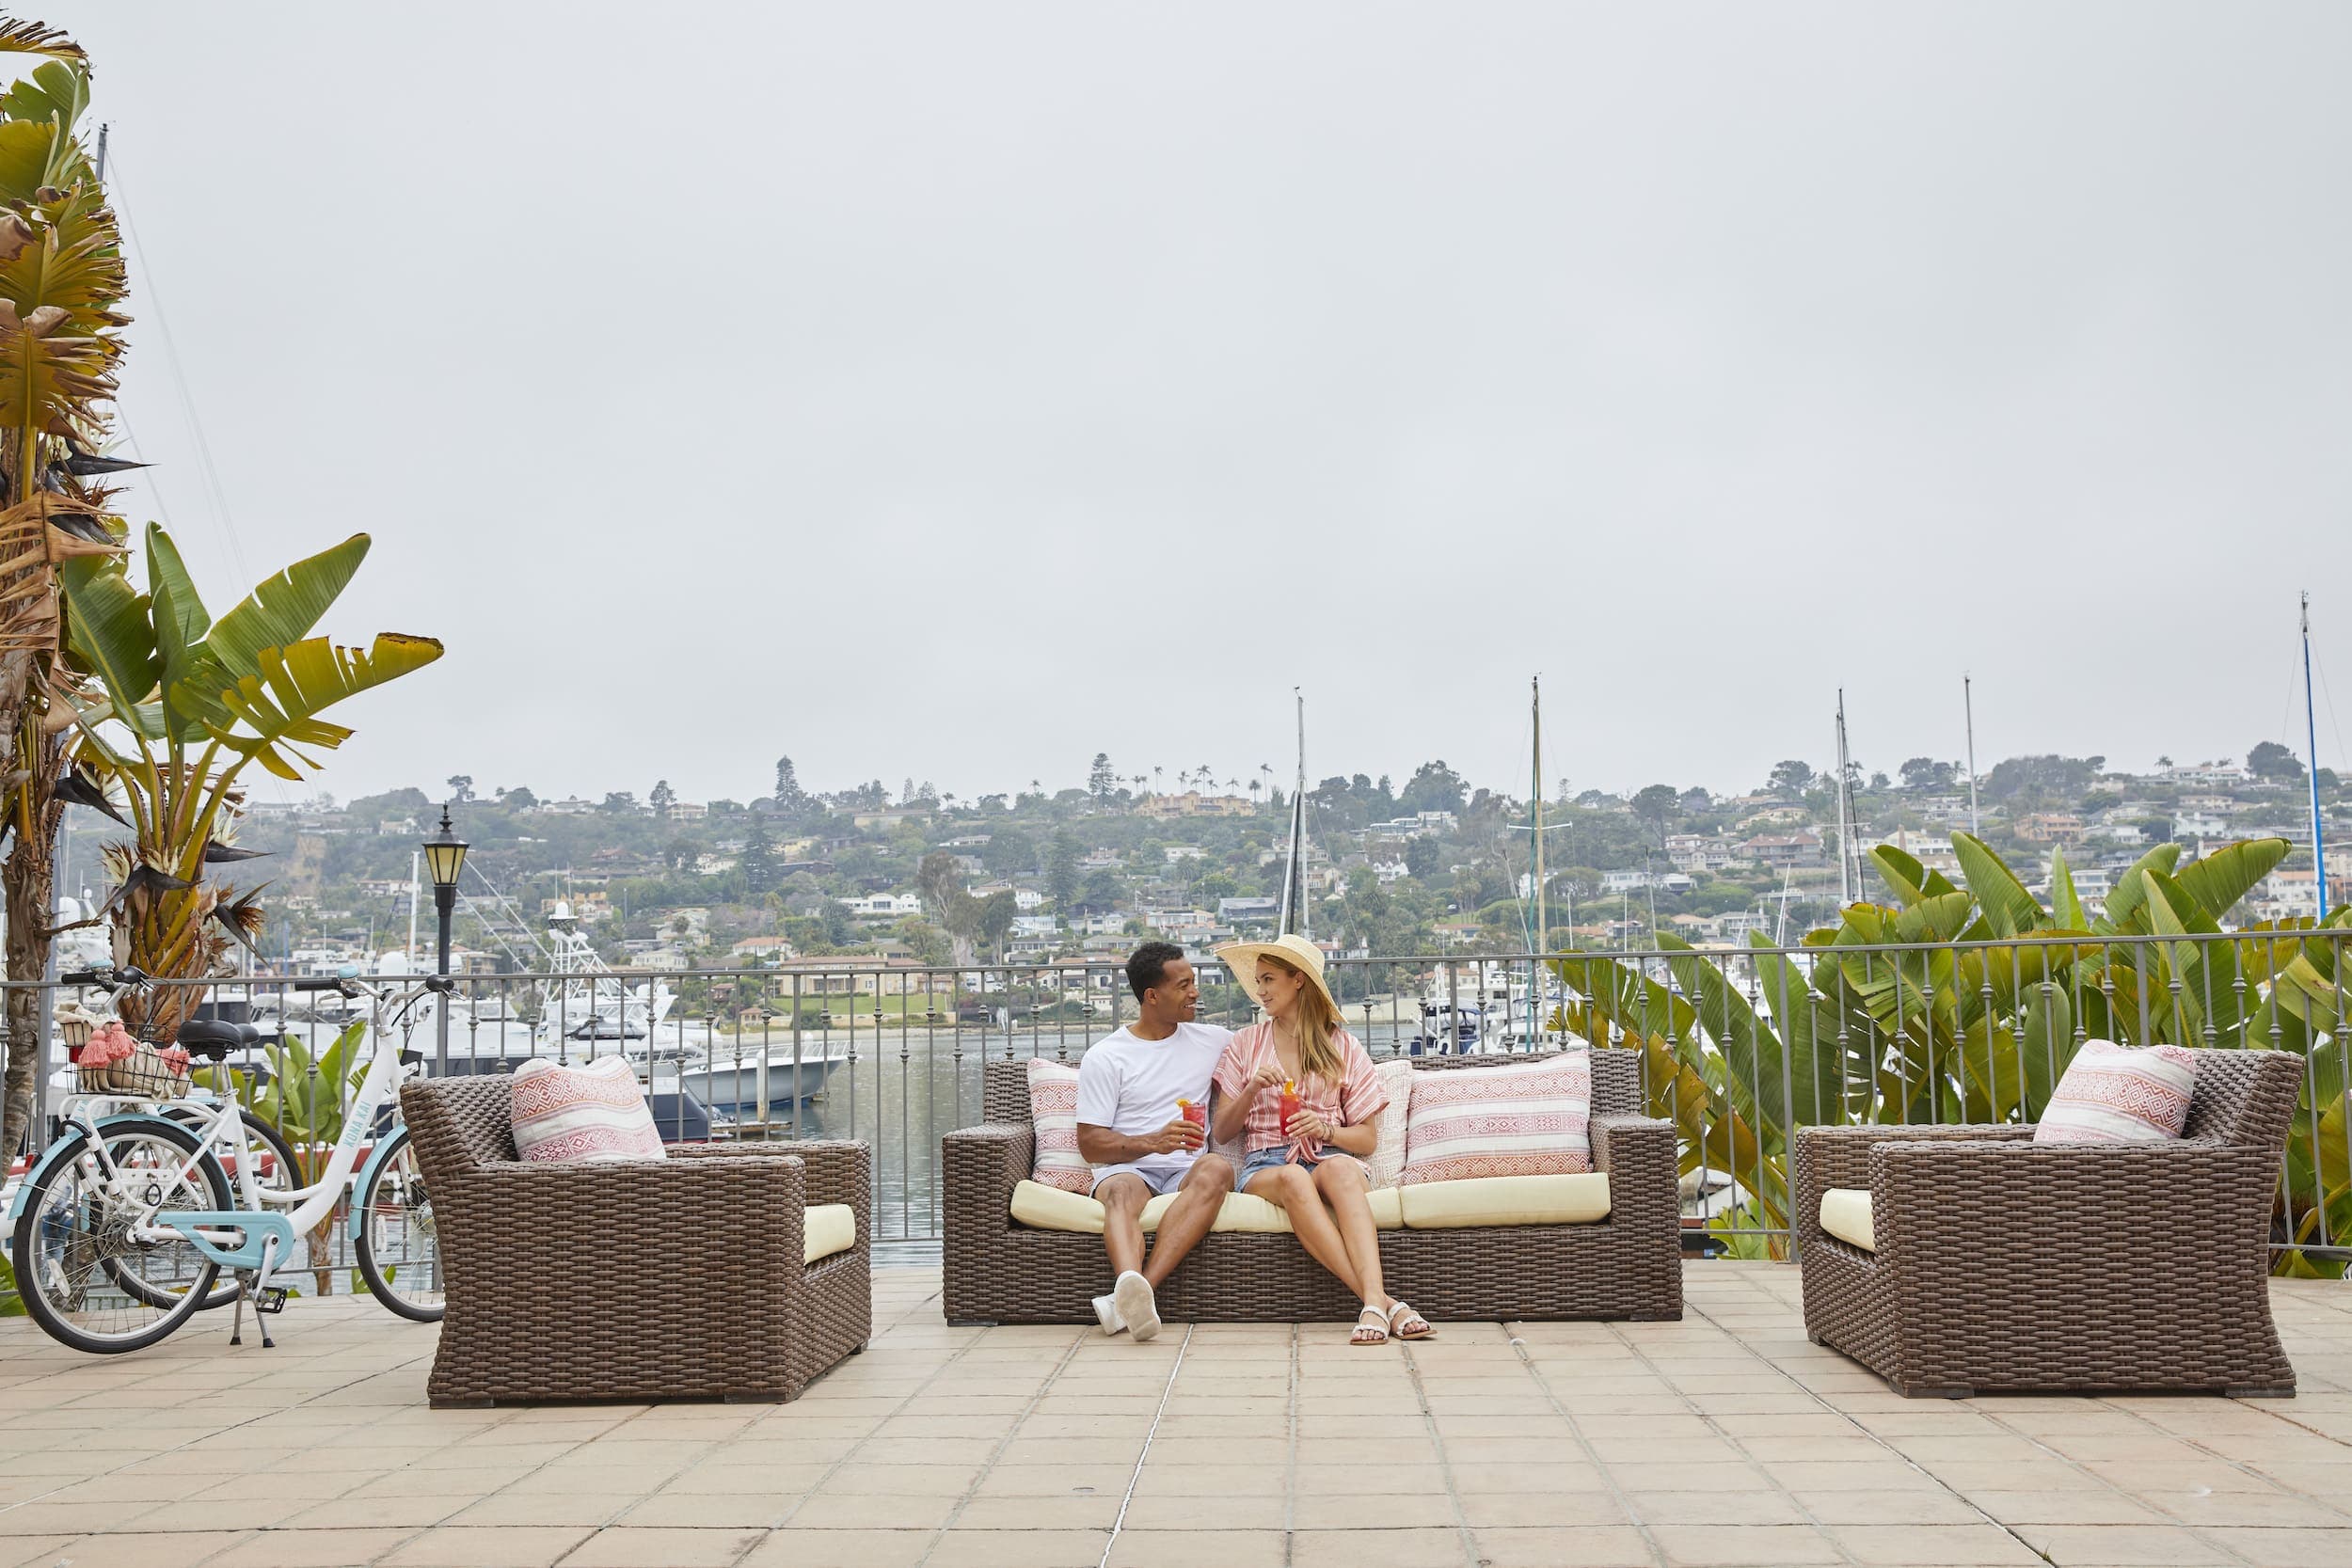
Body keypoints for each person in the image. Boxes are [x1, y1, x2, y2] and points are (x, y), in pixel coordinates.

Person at [1210, 933, 1431, 1345]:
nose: (1259, 991)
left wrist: (1325, 1129)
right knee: (1293, 1177)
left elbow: (1364, 1139)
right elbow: (1223, 1131)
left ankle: (1375, 1304)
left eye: (1268, 979)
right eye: (1258, 981)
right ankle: (1379, 1301)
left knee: (1344, 1170)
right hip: (1268, 1163)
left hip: (1328, 1155)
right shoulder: (1245, 1044)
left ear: (1298, 980)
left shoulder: (1342, 1046)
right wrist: (1252, 1089)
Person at [1073, 942, 1234, 1341]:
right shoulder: (1107, 1056)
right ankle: (1132, 1294)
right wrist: (1152, 1142)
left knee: (1218, 1168)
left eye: (1193, 982)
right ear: (1152, 996)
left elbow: (1275, 1037)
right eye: (1184, 985)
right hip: (1131, 1168)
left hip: (1187, 1171)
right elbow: (1091, 1144)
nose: (1195, 992)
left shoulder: (1213, 1040)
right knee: (1120, 1192)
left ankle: (1132, 1296)